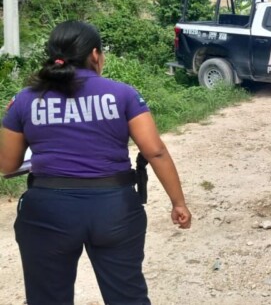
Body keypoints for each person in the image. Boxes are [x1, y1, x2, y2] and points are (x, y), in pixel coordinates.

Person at [0, 21, 192, 305]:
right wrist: (178, 202)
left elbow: (7, 164)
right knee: (128, 297)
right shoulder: (122, 94)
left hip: (47, 211)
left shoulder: (26, 100)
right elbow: (156, 152)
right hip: (114, 210)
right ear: (94, 54)